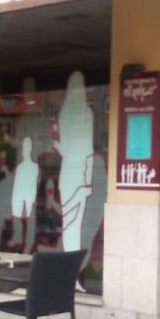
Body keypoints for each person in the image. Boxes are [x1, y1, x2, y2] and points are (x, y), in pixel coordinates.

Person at [56, 71, 94, 258]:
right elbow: (88, 152)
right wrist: (88, 181)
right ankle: (73, 264)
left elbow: (66, 149)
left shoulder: (65, 112)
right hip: (80, 175)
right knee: (75, 223)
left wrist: (57, 144)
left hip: (67, 175)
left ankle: (69, 262)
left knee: (68, 222)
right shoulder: (86, 112)